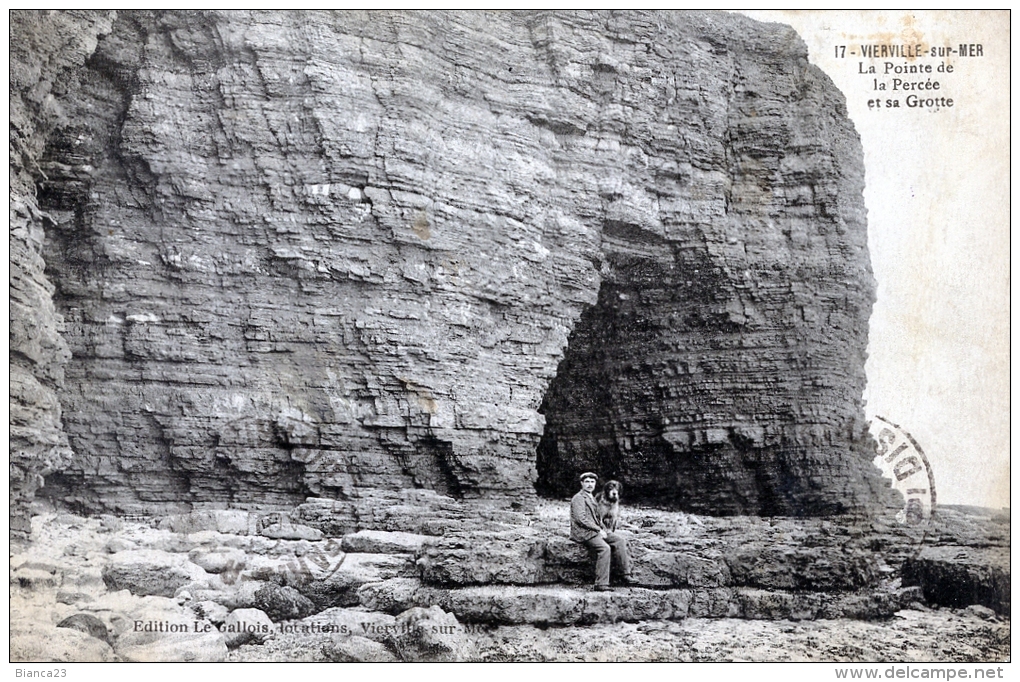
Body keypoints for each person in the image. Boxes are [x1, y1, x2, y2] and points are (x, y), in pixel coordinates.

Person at [569, 471, 635, 591]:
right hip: (583, 533)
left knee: (619, 541)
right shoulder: (578, 498)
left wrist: (605, 530)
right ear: (581, 483)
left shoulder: (592, 498)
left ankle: (625, 574)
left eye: (592, 482)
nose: (590, 484)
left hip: (594, 530)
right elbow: (581, 519)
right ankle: (601, 583)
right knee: (604, 548)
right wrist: (598, 529)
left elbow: (597, 518)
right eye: (587, 482)